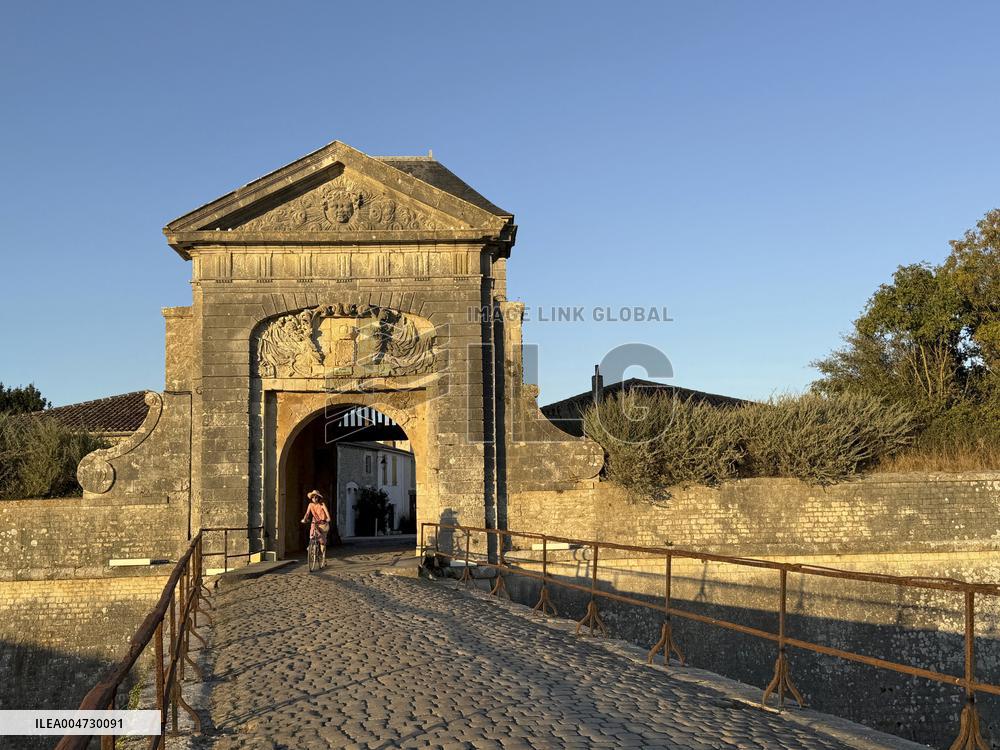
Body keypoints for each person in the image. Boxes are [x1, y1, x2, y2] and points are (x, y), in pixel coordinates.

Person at [300, 490, 331, 559]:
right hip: (315, 522)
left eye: (316, 497)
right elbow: (307, 513)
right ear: (311, 498)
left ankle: (323, 557)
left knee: (322, 542)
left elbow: (327, 513)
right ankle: (311, 545)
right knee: (312, 529)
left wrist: (328, 518)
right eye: (313, 497)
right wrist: (305, 519)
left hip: (323, 524)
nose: (315, 499)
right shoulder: (310, 505)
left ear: (318, 498)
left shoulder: (322, 504)